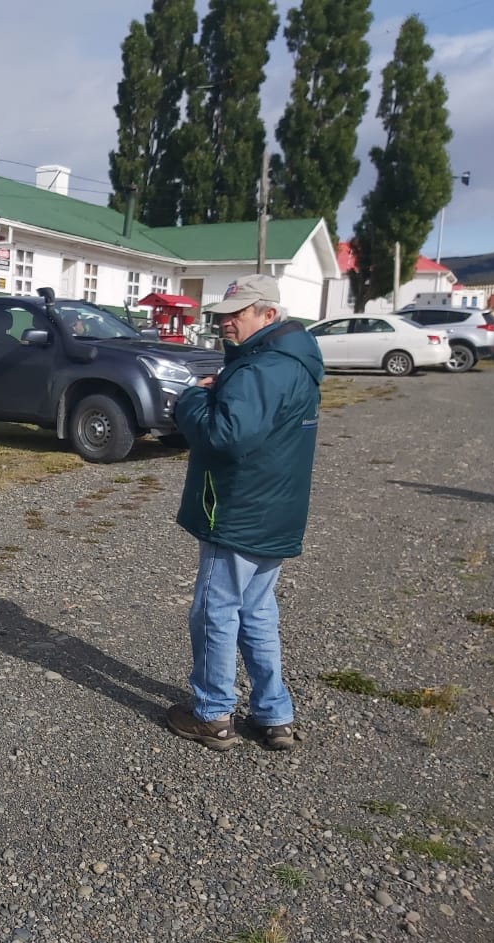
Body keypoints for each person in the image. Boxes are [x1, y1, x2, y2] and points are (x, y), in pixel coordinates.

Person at [166, 274, 323, 751]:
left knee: (216, 611)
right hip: (273, 508)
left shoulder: (263, 370)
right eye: (223, 313)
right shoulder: (288, 360)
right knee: (256, 610)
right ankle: (273, 714)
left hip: (238, 510)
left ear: (268, 314)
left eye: (238, 313)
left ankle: (212, 713)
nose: (224, 322)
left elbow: (223, 436)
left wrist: (193, 397)